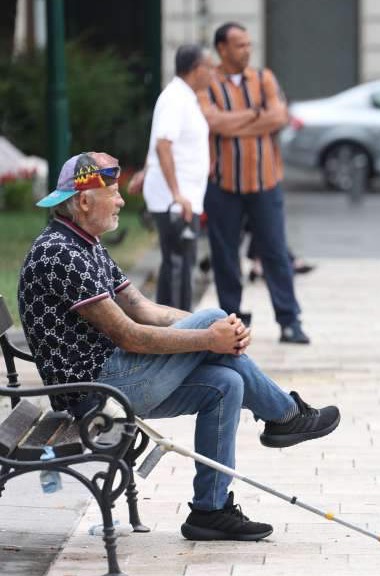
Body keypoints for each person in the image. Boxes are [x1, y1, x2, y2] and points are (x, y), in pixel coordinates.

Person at [19, 152, 342, 541]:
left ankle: (210, 511)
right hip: (95, 394)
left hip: (114, 379)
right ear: (85, 201)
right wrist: (208, 334)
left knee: (226, 384)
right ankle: (286, 416)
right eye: (114, 193)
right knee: (212, 319)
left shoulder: (84, 245)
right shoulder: (61, 254)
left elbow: (142, 308)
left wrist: (220, 331)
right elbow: (130, 335)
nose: (122, 201)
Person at [199, 22, 310, 344]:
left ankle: (290, 321)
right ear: (222, 48)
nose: (246, 50)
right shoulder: (209, 82)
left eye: (248, 44)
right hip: (223, 184)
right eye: (239, 45)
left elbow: (279, 117)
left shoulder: (264, 78)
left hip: (265, 183)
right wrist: (255, 117)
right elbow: (212, 122)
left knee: (275, 252)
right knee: (225, 255)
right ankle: (230, 322)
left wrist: (234, 123)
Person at [129, 45, 213, 311]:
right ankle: (178, 329)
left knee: (179, 262)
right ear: (197, 69)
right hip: (175, 199)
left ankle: (174, 329)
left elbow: (159, 141)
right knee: (179, 262)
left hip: (181, 195)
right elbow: (163, 144)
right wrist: (177, 193)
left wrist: (145, 170)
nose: (213, 73)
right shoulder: (176, 98)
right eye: (210, 68)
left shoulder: (184, 97)